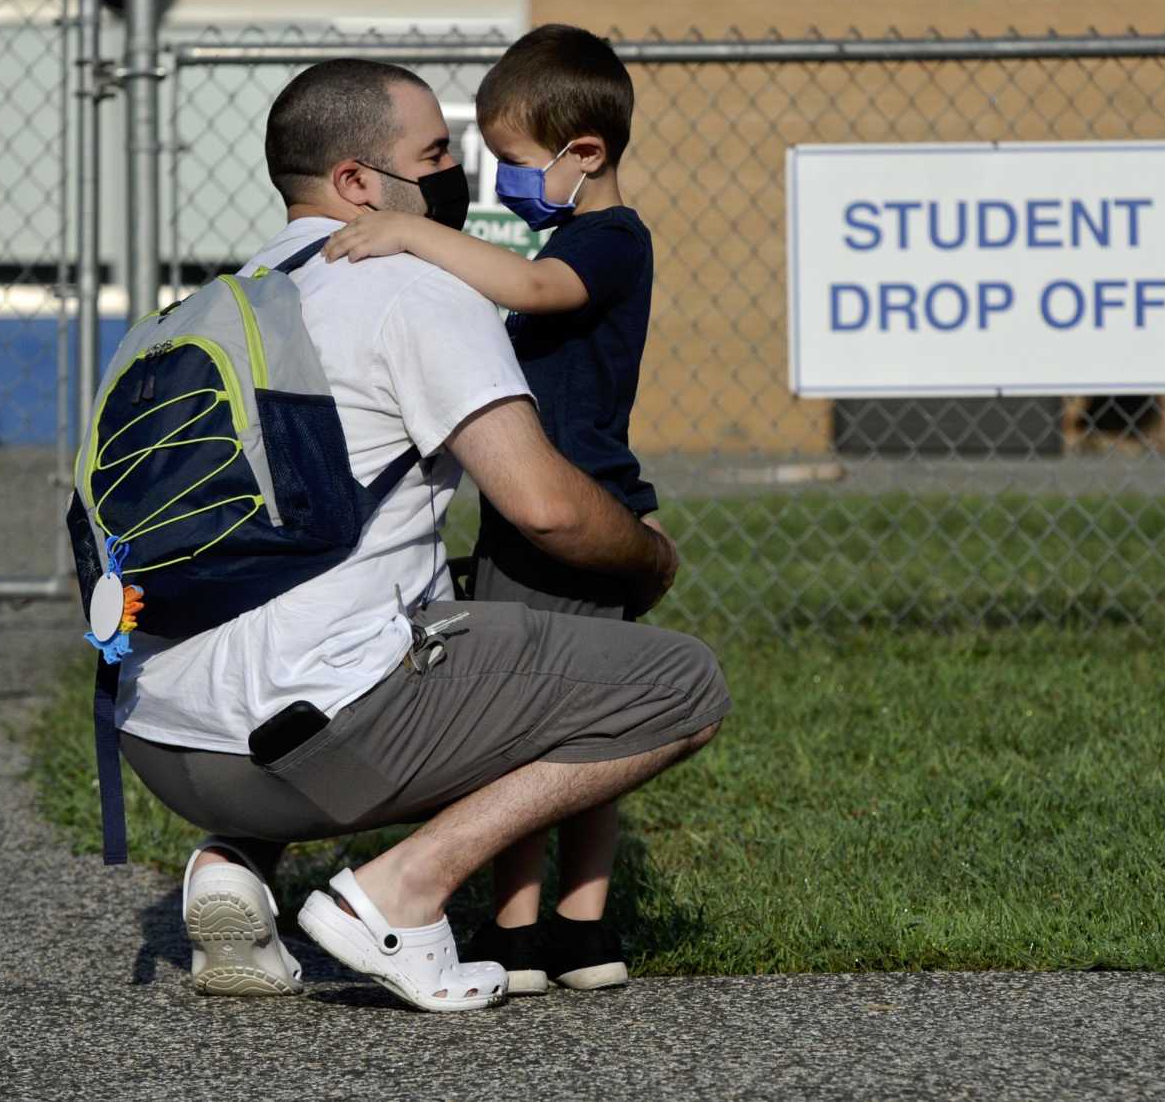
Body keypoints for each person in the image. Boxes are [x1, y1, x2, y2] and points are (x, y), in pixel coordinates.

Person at [111, 57, 730, 1013]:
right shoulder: (410, 284)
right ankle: (399, 891)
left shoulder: (218, 303)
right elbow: (548, 509)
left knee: (333, 601)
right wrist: (652, 556)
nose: (459, 175)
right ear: (358, 183)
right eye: (436, 153)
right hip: (309, 747)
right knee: (683, 683)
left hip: (160, 739)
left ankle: (235, 861)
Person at [320, 24, 657, 995]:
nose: (501, 182)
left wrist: (413, 234)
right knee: (553, 724)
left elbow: (533, 287)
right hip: (541, 516)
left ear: (582, 154)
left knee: (567, 727)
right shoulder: (575, 238)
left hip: (576, 514)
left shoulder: (607, 243)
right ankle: (542, 933)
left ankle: (555, 929)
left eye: (513, 160)